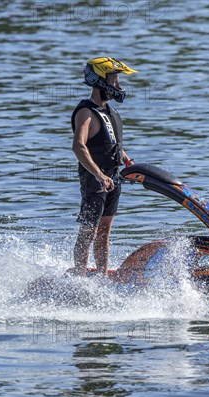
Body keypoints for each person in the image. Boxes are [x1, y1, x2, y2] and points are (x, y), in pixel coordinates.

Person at [69, 57, 137, 276]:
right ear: (100, 81)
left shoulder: (108, 111)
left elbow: (111, 143)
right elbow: (79, 146)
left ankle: (102, 276)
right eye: (114, 80)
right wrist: (98, 175)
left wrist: (128, 161)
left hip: (113, 178)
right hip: (95, 180)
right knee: (89, 232)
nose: (118, 85)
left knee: (104, 232)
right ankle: (79, 277)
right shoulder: (86, 112)